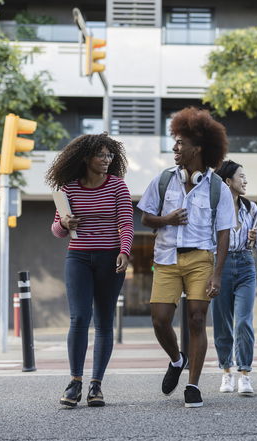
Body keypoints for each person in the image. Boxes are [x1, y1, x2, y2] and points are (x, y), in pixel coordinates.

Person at [138, 107, 236, 408]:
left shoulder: (218, 187)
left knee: (197, 318)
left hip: (200, 260)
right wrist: (165, 219)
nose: (175, 148)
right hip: (166, 258)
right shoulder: (164, 180)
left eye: (181, 143)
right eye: (175, 142)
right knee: (159, 319)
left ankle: (192, 385)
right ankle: (176, 359)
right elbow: (145, 218)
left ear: (198, 147)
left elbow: (223, 233)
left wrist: (217, 274)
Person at [46, 133, 134, 408]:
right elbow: (57, 230)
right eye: (101, 155)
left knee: (105, 321)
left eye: (110, 155)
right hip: (79, 258)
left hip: (110, 258)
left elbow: (127, 224)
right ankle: (75, 382)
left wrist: (124, 251)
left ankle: (96, 385)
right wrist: (66, 223)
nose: (106, 160)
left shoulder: (118, 186)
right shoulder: (68, 189)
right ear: (85, 158)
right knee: (79, 318)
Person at [212, 160, 257, 395]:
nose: (245, 180)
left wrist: (256, 237)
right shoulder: (214, 209)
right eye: (241, 176)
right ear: (228, 181)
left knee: (243, 321)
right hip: (220, 265)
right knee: (222, 323)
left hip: (246, 263)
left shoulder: (252, 208)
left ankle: (245, 374)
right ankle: (226, 372)